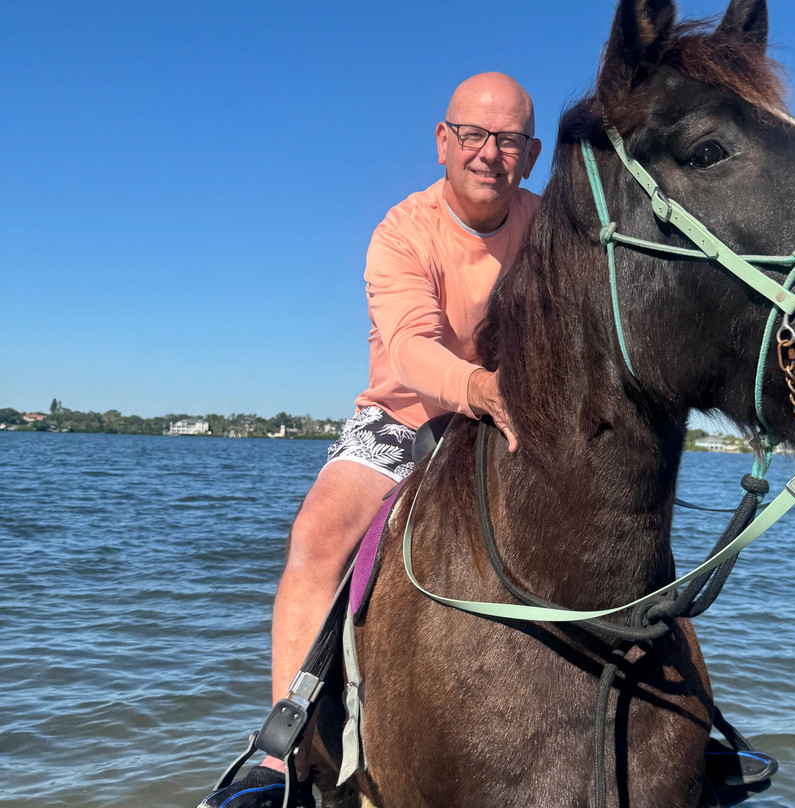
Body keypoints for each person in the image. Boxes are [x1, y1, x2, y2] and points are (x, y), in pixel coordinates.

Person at [198, 71, 542, 808]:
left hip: (518, 415)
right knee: (316, 536)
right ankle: (280, 760)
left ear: (532, 154)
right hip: (403, 416)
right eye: (473, 135)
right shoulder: (403, 230)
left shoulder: (550, 229)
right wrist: (481, 389)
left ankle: (693, 722)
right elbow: (412, 348)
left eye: (509, 140)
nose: (489, 153)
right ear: (443, 142)